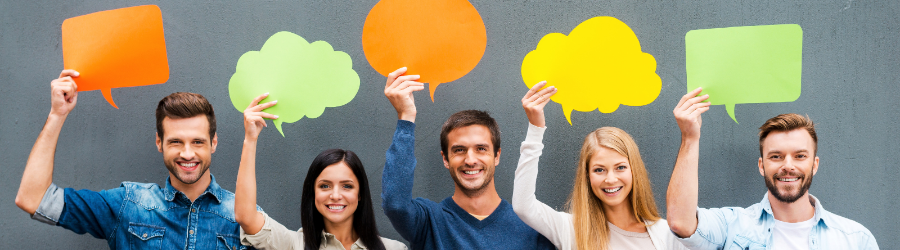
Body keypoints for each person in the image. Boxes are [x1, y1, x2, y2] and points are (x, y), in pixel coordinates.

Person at [15, 69, 250, 249]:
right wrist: (57, 114)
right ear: (159, 143)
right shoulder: (129, 204)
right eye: (175, 142)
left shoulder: (244, 216)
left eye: (197, 142)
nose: (187, 153)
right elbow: (34, 199)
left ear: (214, 143)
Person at [666, 88, 879, 249]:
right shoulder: (732, 226)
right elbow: (680, 223)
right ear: (762, 165)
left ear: (814, 165)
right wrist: (690, 137)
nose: (788, 166)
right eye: (776, 156)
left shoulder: (856, 239)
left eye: (800, 156)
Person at [380, 67, 555, 249]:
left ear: (497, 156)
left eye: (481, 149)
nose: (470, 160)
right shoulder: (429, 221)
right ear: (445, 159)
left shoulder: (532, 227)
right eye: (459, 150)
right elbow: (395, 204)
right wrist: (406, 117)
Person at [512, 82, 686, 250]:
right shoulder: (571, 229)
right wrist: (535, 128)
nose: (610, 179)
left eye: (620, 167)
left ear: (635, 170)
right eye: (599, 170)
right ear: (587, 176)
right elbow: (523, 206)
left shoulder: (665, 234)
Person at [234, 94, 406, 250]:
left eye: (347, 186)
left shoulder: (394, 248)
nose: (336, 195)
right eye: (325, 186)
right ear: (313, 192)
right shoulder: (294, 244)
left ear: (360, 194)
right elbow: (246, 217)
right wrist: (250, 138)